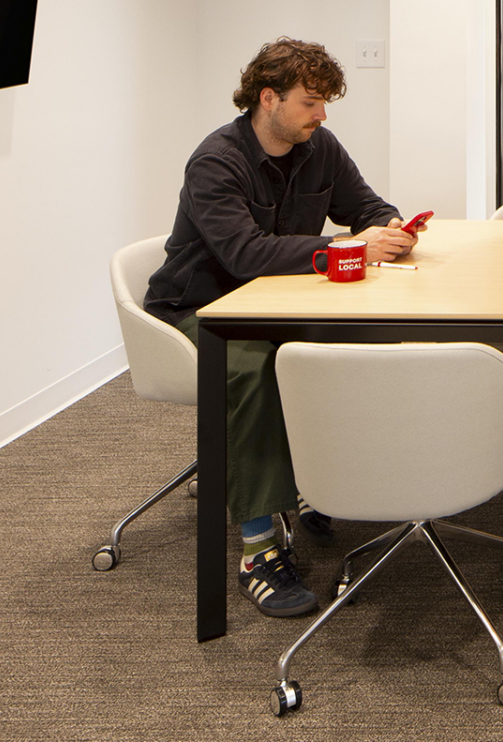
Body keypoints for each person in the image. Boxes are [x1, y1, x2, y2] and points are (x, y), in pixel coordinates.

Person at [144, 38, 424, 618]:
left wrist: (388, 227)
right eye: (311, 102)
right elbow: (245, 256)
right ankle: (258, 549)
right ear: (267, 98)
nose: (322, 115)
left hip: (277, 303)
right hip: (201, 310)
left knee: (350, 348)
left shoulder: (318, 146)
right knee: (250, 366)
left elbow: (364, 206)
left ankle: (320, 481)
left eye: (324, 103)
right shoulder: (215, 162)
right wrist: (348, 247)